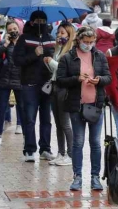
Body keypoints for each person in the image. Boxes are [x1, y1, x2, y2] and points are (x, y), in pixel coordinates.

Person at [57, 26, 111, 191]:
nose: (88, 45)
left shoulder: (100, 56)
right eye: (85, 42)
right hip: (76, 106)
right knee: (78, 142)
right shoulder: (68, 57)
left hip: (95, 105)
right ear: (78, 40)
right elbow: (60, 80)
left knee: (95, 142)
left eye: (91, 42)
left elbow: (108, 77)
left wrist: (99, 79)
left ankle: (95, 177)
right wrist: (76, 79)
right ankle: (77, 176)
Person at [13, 11, 55, 162]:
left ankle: (45, 148)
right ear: (31, 22)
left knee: (46, 119)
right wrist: (35, 54)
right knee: (29, 118)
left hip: (47, 85)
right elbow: (17, 60)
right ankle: (29, 150)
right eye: (37, 20)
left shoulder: (50, 39)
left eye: (43, 20)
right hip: (29, 84)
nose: (40, 23)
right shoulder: (24, 39)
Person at [43, 21, 76, 166]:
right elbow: (54, 71)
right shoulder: (58, 49)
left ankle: (70, 154)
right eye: (58, 33)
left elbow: (63, 69)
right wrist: (47, 61)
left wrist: (51, 62)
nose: (59, 36)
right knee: (57, 123)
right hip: (54, 87)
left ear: (69, 35)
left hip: (64, 89)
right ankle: (60, 152)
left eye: (62, 33)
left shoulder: (71, 51)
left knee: (65, 123)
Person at [0, 19, 25, 145]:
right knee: (1, 107)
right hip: (4, 79)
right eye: (10, 30)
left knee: (22, 107)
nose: (13, 31)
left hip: (19, 78)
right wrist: (5, 44)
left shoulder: (24, 42)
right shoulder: (5, 42)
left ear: (19, 29)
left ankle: (22, 128)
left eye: (15, 29)